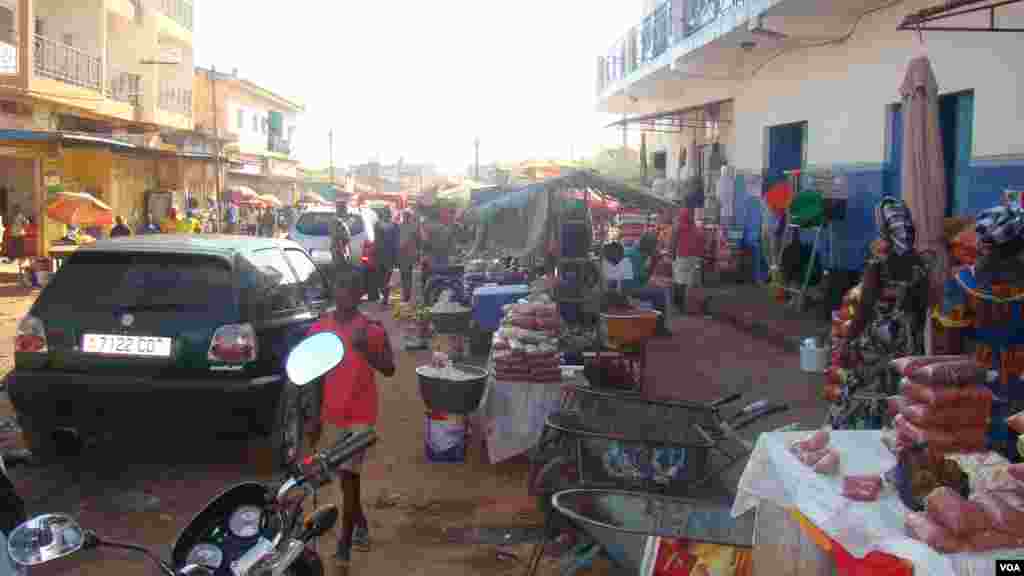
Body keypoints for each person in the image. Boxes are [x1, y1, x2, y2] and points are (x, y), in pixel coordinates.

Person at [307, 263, 395, 564]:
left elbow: (389, 368)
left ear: (359, 295)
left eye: (352, 291)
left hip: (361, 414)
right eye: (340, 289)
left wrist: (366, 349)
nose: (345, 296)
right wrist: (314, 417)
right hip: (332, 412)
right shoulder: (320, 328)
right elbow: (314, 376)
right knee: (343, 478)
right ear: (334, 292)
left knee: (348, 477)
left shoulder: (371, 329)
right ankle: (362, 525)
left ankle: (344, 542)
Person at [932, 204, 1024, 463]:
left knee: (984, 455)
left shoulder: (962, 283)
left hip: (983, 376)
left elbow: (949, 345)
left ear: (985, 244)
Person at [672, 207, 704, 314]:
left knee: (679, 281)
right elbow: (701, 242)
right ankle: (687, 306)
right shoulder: (695, 228)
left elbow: (673, 241)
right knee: (688, 282)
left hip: (682, 257)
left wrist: (671, 254)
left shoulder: (678, 227)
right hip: (693, 258)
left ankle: (678, 305)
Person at [369, 207, 398, 305]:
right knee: (380, 278)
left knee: (386, 278)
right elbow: (376, 240)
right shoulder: (378, 225)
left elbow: (395, 243)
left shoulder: (394, 226)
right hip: (379, 255)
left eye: (388, 213)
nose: (386, 214)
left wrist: (396, 257)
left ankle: (385, 298)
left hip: (389, 256)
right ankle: (384, 295)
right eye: (385, 213)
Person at [397, 209, 419, 302]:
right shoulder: (411, 226)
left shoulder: (411, 226)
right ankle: (407, 296)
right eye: (405, 216)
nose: (405, 217)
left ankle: (408, 296)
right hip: (406, 254)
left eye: (406, 216)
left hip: (408, 254)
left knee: (407, 276)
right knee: (406, 276)